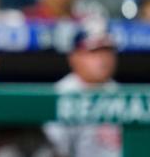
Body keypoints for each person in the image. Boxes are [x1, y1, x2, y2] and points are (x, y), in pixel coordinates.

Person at [43, 27, 121, 157]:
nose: (103, 58)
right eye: (94, 51)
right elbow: (54, 150)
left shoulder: (119, 91)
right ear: (74, 57)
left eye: (107, 51)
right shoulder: (62, 93)